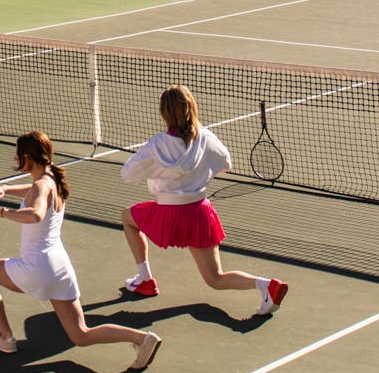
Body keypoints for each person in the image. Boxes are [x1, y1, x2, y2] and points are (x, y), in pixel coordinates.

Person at [0, 130, 162, 370]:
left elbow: (35, 214)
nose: (15, 158)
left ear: (28, 157)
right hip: (59, 267)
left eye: (18, 154)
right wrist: (6, 189)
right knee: (81, 334)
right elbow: (35, 189)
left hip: (35, 267)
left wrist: (2, 211)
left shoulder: (41, 185)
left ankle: (6, 337)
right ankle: (142, 339)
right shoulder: (51, 176)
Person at [116, 85, 288, 315]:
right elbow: (225, 164)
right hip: (199, 213)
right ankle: (267, 285)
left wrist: (156, 171)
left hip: (168, 214)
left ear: (164, 113)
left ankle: (145, 278)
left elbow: (128, 175)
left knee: (128, 218)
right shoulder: (205, 137)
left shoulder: (157, 144)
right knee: (215, 278)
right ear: (191, 108)